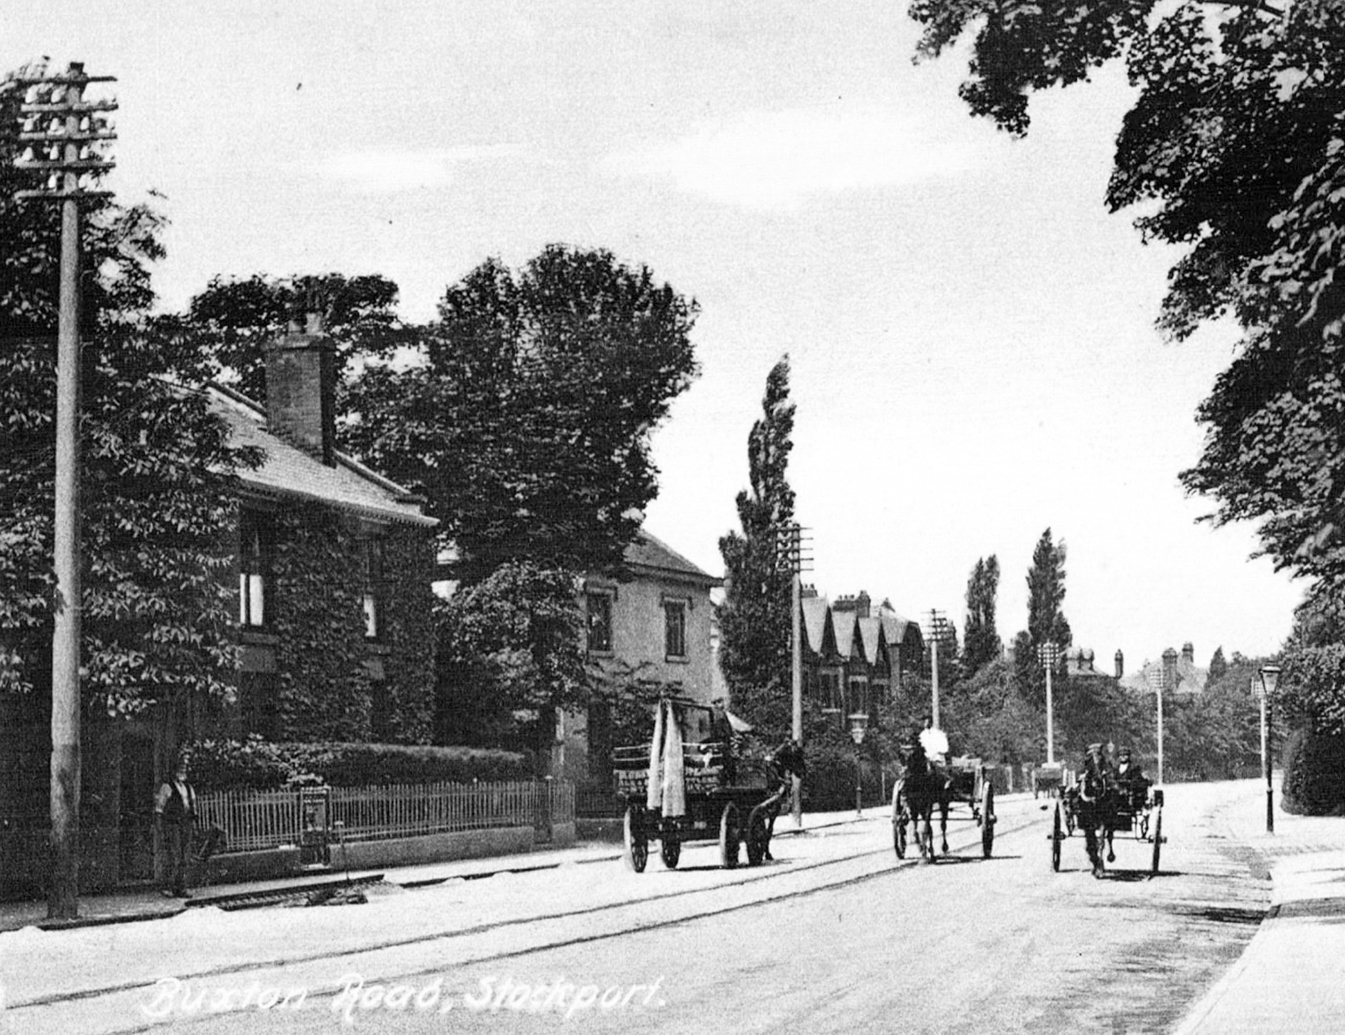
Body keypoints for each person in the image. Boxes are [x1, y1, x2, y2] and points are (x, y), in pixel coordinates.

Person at [155, 755, 198, 898]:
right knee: (174, 856)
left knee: (185, 857)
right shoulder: (167, 787)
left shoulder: (189, 787)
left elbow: (193, 806)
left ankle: (182, 888)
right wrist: (161, 827)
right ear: (174, 769)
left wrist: (193, 824)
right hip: (173, 824)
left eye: (184, 767)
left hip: (186, 824)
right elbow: (159, 809)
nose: (183, 769)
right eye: (180, 767)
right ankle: (168, 887)